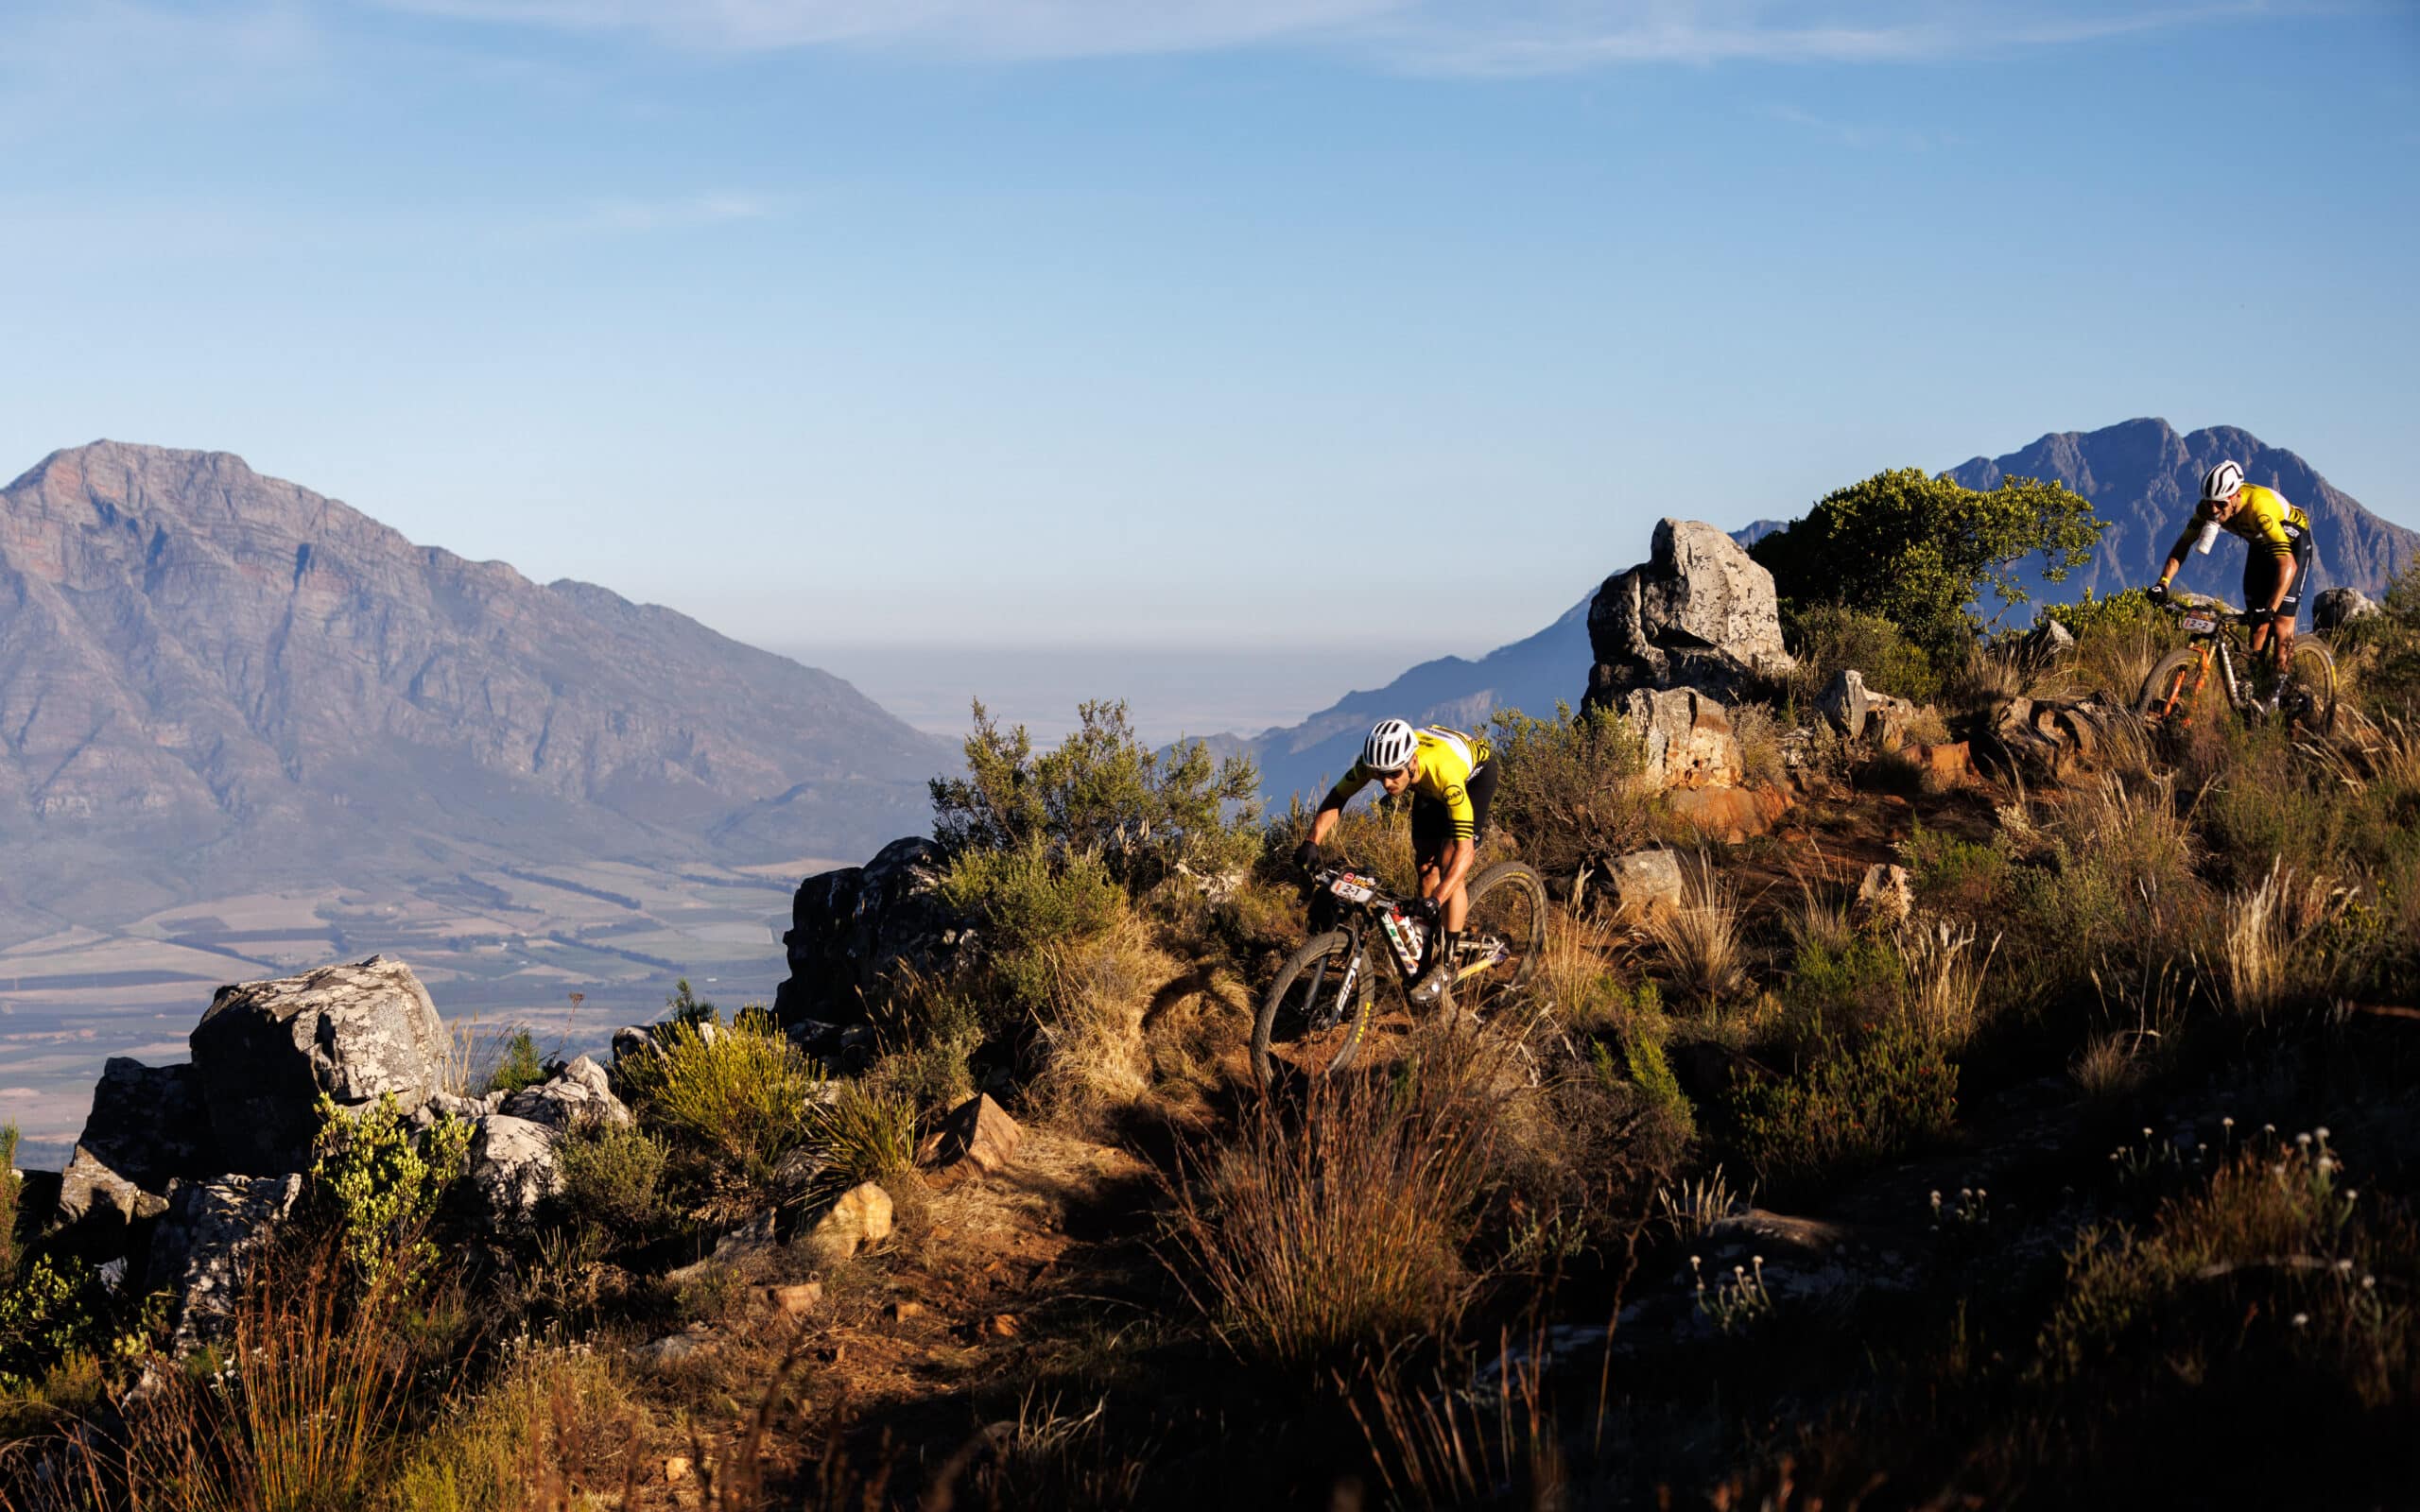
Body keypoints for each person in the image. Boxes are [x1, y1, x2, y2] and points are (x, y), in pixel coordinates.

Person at [1294, 717, 1495, 1007]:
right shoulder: (1378, 763)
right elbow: (1338, 797)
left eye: (1393, 774)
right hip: (1426, 782)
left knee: (1450, 863)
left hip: (1472, 777)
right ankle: (1424, 951)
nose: (1387, 783)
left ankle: (1446, 963)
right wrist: (1312, 841)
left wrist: (1437, 899)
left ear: (1411, 762)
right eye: (1380, 776)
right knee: (1426, 869)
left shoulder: (1444, 774)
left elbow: (1466, 853)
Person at [2149, 459, 2315, 678]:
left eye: (2220, 504)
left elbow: (2288, 564)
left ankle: (2276, 690)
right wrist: (2163, 583)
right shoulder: (2207, 509)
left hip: (2292, 548)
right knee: (2256, 624)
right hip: (2259, 545)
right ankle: (2254, 684)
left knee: (2280, 622)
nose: (2214, 510)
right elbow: (2182, 546)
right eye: (2210, 503)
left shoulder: (2259, 510)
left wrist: (2271, 610)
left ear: (2236, 496)